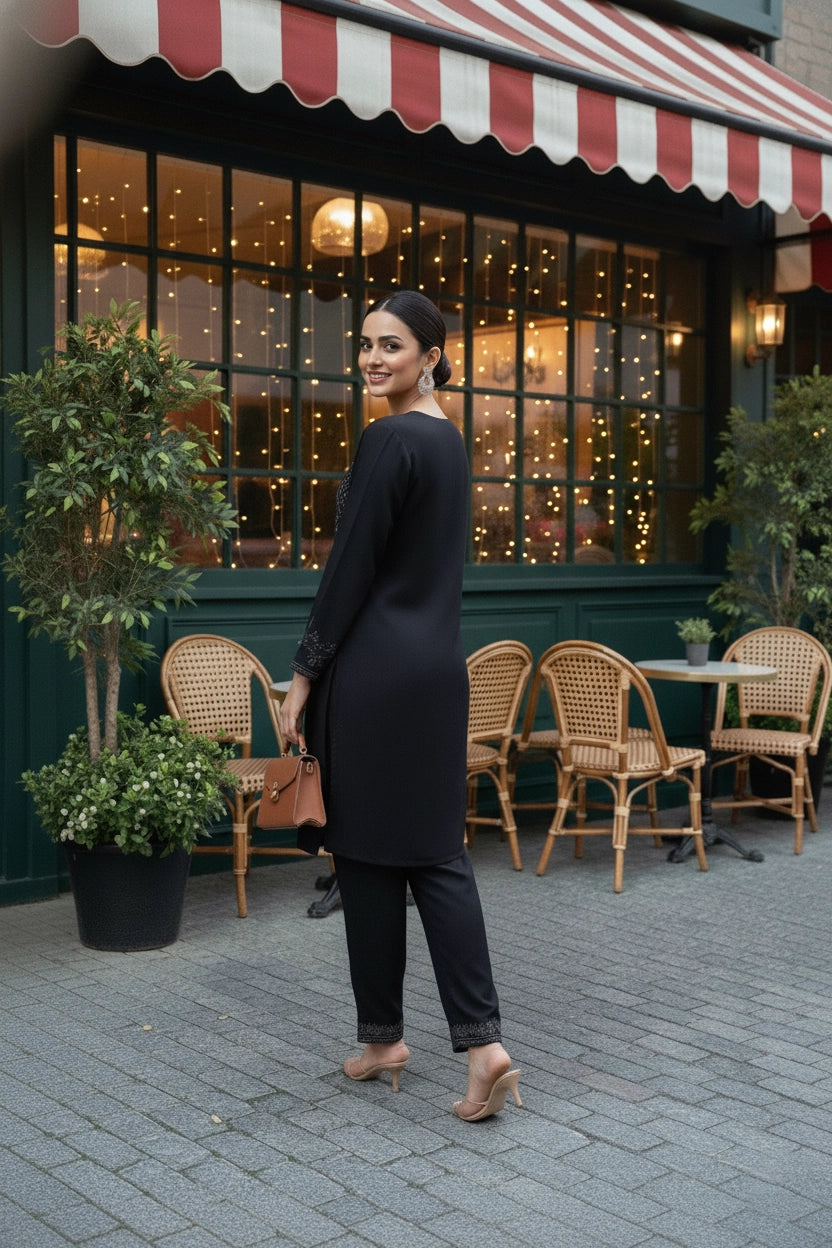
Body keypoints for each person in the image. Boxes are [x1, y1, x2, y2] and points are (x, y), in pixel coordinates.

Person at [278, 290, 521, 1122]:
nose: (374, 359)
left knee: (395, 854)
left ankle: (475, 1045)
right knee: (408, 853)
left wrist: (305, 673)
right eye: (367, 346)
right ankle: (396, 1038)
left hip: (374, 675)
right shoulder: (449, 440)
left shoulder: (387, 438)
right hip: (433, 674)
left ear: (431, 354)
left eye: (391, 346)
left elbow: (349, 569)